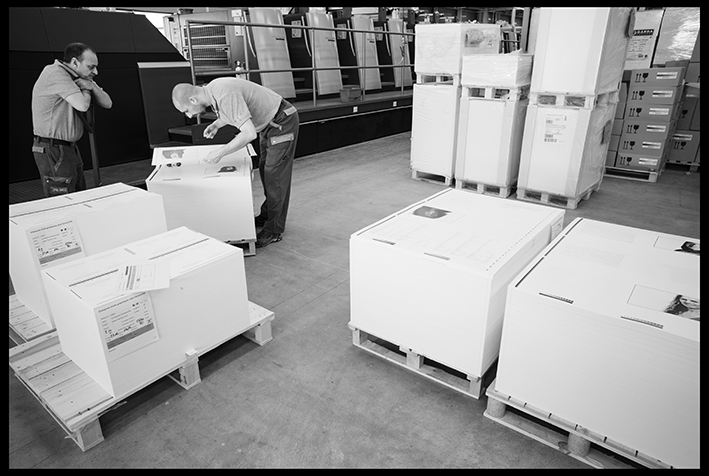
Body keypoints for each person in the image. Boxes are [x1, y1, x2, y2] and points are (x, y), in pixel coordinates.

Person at [172, 77, 299, 248]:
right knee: (265, 171)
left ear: (193, 100)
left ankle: (274, 230)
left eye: (186, 110)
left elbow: (248, 134)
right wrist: (217, 124)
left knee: (274, 176)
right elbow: (233, 110)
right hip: (269, 124)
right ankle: (267, 215)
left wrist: (221, 152)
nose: (189, 115)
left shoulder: (224, 94)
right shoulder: (214, 90)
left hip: (282, 122)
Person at [31, 42, 113, 197]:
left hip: (67, 148)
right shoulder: (55, 74)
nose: (95, 71)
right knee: (63, 200)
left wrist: (91, 85)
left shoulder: (76, 75)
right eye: (91, 67)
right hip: (53, 149)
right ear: (75, 62)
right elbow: (82, 105)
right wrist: (86, 89)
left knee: (78, 195)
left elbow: (107, 103)